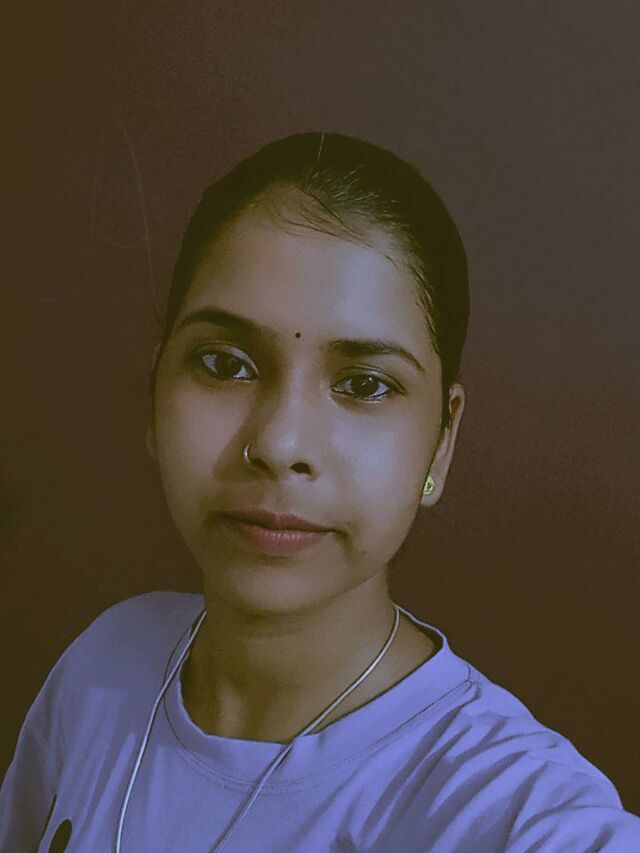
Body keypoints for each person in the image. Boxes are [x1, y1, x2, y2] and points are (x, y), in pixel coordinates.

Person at [1, 131, 639, 852]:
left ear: (442, 437)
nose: (280, 443)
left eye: (365, 384)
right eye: (225, 364)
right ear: (154, 395)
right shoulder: (106, 666)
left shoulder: (500, 806)